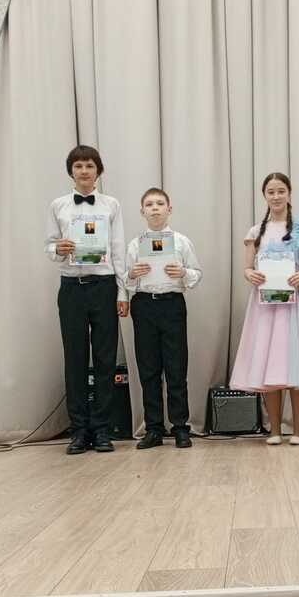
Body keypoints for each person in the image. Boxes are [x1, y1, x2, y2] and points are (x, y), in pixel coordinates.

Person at [230, 173, 299, 445]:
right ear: (264, 196)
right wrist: (251, 275)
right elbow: (247, 268)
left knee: (298, 363)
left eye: (281, 191)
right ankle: (274, 430)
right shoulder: (255, 232)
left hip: (296, 304)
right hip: (265, 306)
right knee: (269, 363)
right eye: (271, 192)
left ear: (289, 193)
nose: (276, 196)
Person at [45, 145, 128, 454]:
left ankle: (102, 429)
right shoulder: (58, 205)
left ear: (98, 171)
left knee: (106, 359)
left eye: (89, 166)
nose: (84, 171)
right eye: (78, 166)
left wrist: (122, 291)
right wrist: (58, 249)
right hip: (71, 288)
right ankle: (79, 430)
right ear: (71, 171)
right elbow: (49, 246)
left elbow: (118, 249)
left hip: (104, 286)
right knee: (75, 358)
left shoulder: (112, 205)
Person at [125, 188, 202, 449]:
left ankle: (180, 427)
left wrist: (183, 273)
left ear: (169, 209)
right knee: (148, 370)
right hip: (144, 305)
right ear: (142, 211)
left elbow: (196, 273)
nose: (155, 208)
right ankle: (154, 429)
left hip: (172, 304)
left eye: (160, 203)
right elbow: (125, 280)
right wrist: (132, 274)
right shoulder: (134, 245)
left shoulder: (181, 242)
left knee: (176, 368)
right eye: (149, 204)